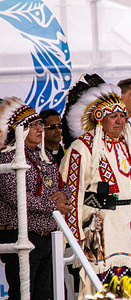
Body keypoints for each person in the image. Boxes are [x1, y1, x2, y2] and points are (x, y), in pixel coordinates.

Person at [59, 74, 131, 298]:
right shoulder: (81, 148)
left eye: (122, 115)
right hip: (98, 230)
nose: (119, 121)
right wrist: (73, 237)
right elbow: (72, 194)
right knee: (98, 287)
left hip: (128, 230)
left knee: (128, 288)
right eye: (113, 116)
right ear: (100, 118)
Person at [0, 97, 72, 300]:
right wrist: (54, 205)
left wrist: (64, 195)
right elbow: (16, 197)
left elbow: (65, 185)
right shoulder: (7, 158)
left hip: (47, 235)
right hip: (21, 235)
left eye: (40, 124)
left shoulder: (45, 156)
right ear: (18, 130)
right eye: (33, 125)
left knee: (44, 293)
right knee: (23, 292)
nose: (40, 129)